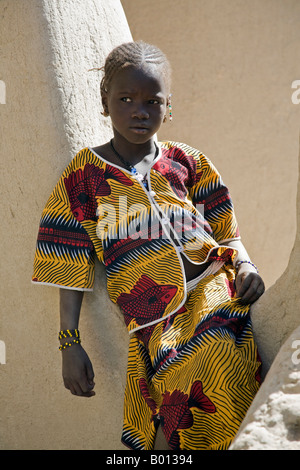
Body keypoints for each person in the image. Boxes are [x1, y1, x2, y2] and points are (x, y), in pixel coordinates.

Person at [32, 41, 265, 450]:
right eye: (125, 99)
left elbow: (227, 232)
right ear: (105, 102)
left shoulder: (187, 160)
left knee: (218, 351)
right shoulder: (83, 176)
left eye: (152, 101)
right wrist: (69, 342)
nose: (139, 110)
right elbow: (66, 262)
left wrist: (246, 267)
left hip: (212, 287)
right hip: (153, 316)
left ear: (168, 106)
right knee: (179, 388)